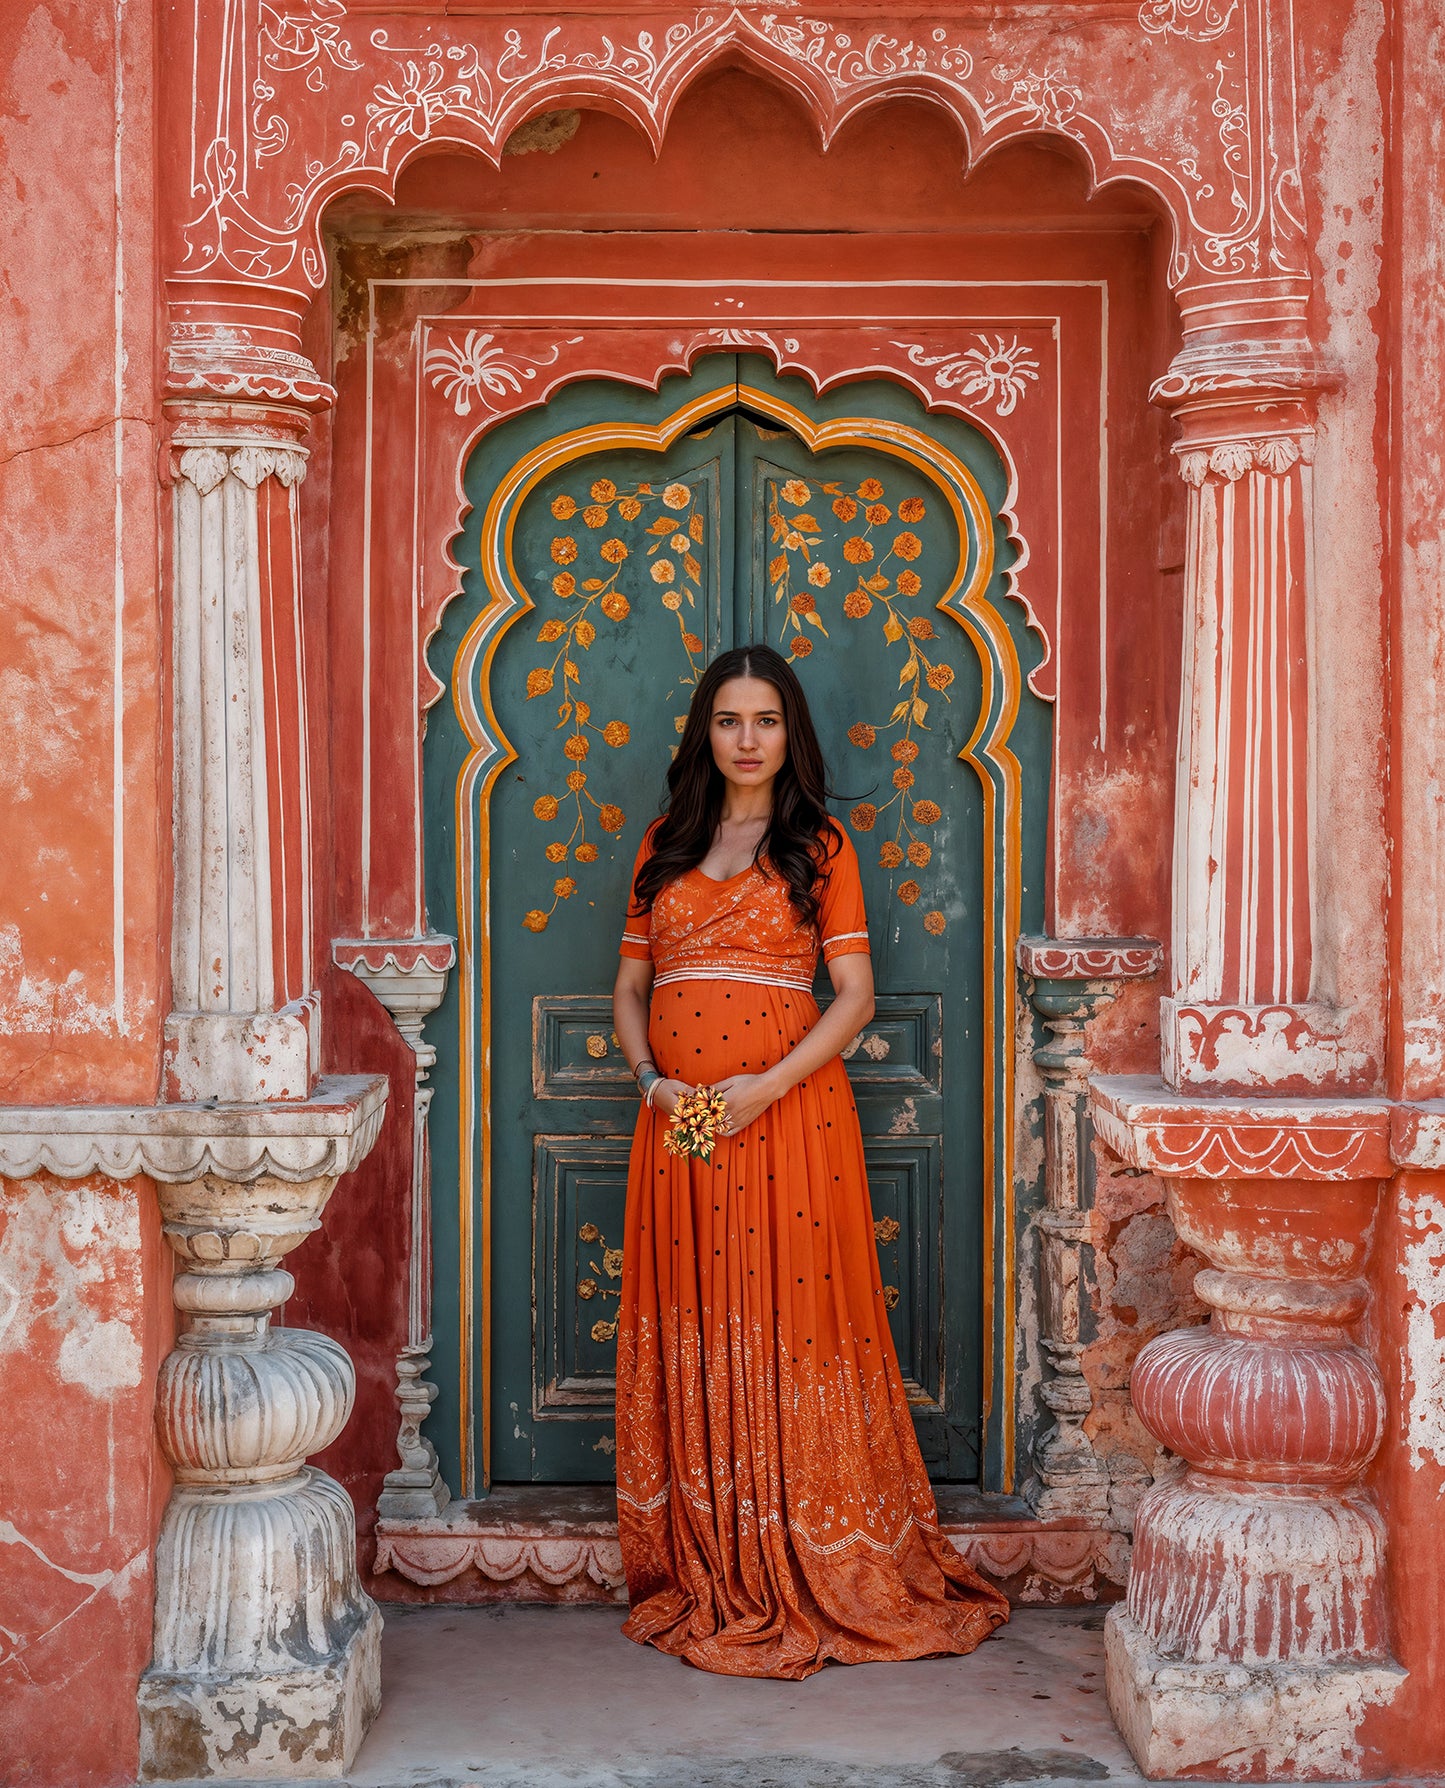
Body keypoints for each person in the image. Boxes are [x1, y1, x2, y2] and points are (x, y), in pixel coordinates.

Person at [611, 643, 1009, 1678]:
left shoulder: (819, 844)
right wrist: (655, 1084)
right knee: (701, 1312)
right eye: (729, 720)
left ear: (791, 733)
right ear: (704, 731)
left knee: (790, 1320)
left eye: (766, 721)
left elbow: (856, 998)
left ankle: (810, 1557)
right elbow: (626, 990)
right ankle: (714, 1555)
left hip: (785, 1119)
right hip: (680, 1122)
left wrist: (763, 1088)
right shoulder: (666, 842)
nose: (747, 739)